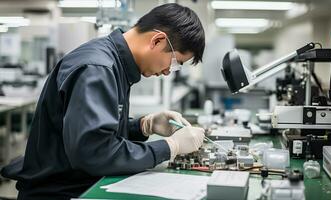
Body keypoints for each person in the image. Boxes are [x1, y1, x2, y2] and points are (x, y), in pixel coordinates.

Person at [0, 3, 205, 200]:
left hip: (74, 185)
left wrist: (143, 126)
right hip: (58, 192)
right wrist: (169, 147)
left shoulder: (114, 64)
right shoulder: (98, 68)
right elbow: (95, 152)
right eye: (175, 62)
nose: (169, 71)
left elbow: (97, 131)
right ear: (157, 40)